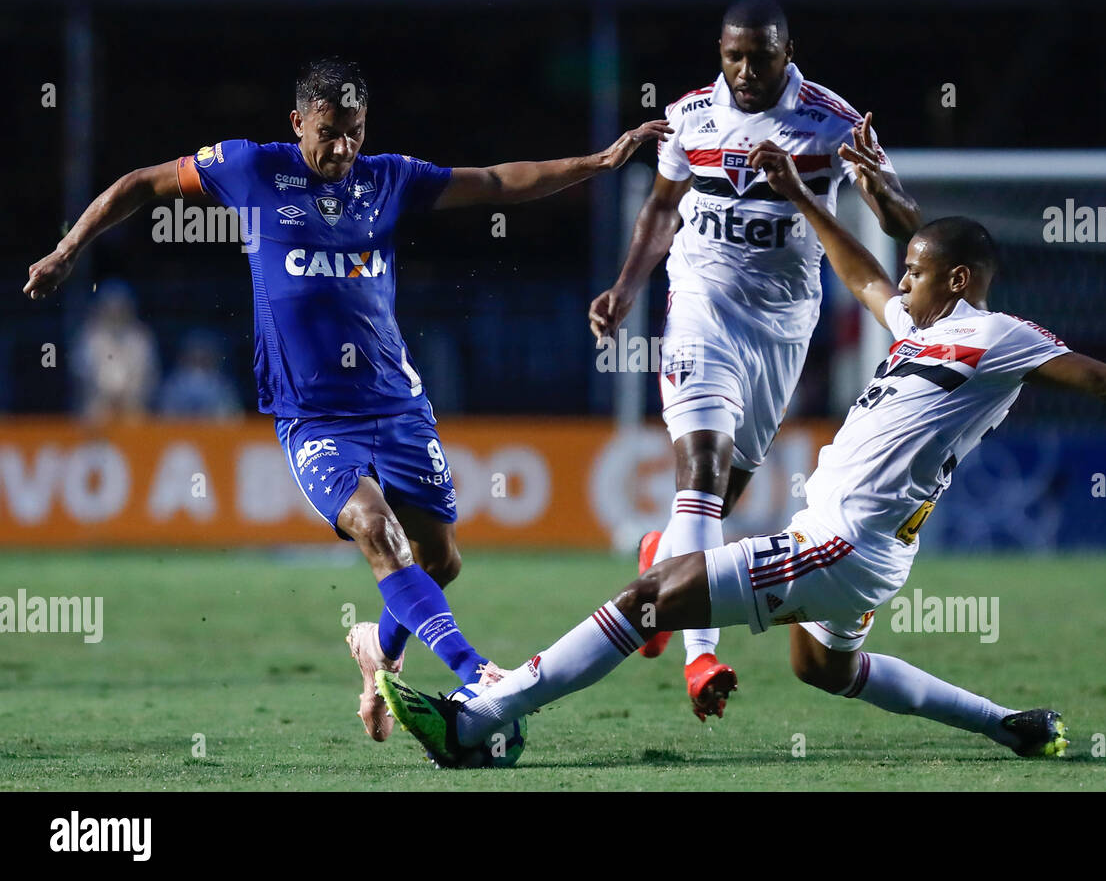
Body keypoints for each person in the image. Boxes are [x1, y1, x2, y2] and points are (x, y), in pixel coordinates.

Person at [380, 132, 1106, 768]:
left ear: (961, 282)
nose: (903, 283)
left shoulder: (996, 337)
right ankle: (1010, 726)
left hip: (846, 542)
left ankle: (481, 720)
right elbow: (860, 276)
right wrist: (804, 199)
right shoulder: (915, 325)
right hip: (864, 548)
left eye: (920, 273)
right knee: (821, 667)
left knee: (649, 595)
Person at [24, 56, 669, 743]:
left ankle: (379, 650)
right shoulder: (250, 170)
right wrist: (68, 250)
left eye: (355, 132)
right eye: (329, 132)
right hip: (313, 414)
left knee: (441, 561)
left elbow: (497, 183)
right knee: (373, 527)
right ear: (297, 121)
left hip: (397, 403)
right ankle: (477, 671)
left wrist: (598, 162)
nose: (343, 148)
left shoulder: (387, 177)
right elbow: (142, 183)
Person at [587, 0, 921, 720]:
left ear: (786, 51)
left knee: (719, 501)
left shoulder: (832, 121)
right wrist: (623, 288)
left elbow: (905, 222)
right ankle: (700, 656)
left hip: (781, 326)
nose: (745, 71)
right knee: (701, 472)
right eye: (733, 56)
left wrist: (877, 186)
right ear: (719, 50)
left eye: (760, 57)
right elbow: (661, 210)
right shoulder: (689, 117)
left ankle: (658, 561)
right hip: (700, 305)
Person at [71, 279, 159, 421]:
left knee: (136, 420)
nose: (115, 314)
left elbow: (148, 375)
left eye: (119, 309)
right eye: (110, 309)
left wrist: (127, 396)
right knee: (93, 415)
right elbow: (82, 376)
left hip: (133, 404)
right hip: (98, 403)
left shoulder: (141, 337)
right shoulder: (88, 337)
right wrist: (106, 397)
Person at [157, 329, 242, 418]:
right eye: (193, 355)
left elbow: (233, 419)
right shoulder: (172, 386)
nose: (198, 358)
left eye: (204, 357)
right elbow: (164, 417)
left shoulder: (223, 387)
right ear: (182, 356)